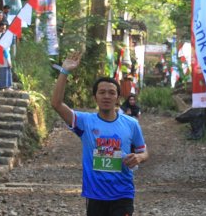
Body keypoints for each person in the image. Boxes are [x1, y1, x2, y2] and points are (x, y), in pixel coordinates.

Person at [51, 51, 149, 216]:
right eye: (102, 92)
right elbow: (56, 104)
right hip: (95, 195)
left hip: (123, 193)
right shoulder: (85, 122)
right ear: (95, 97)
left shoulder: (131, 124)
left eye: (111, 92)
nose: (106, 96)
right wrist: (65, 71)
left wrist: (139, 157)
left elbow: (143, 151)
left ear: (118, 97)